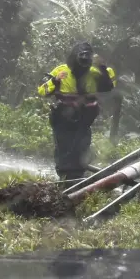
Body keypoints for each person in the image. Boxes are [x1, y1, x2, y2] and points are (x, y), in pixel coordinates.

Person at [38, 41, 115, 181]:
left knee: (82, 147)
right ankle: (64, 177)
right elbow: (43, 91)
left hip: (84, 120)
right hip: (62, 119)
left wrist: (102, 68)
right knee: (63, 147)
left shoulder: (96, 72)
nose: (84, 61)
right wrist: (55, 81)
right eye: (81, 57)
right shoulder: (61, 71)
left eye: (87, 57)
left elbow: (108, 87)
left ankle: (77, 177)